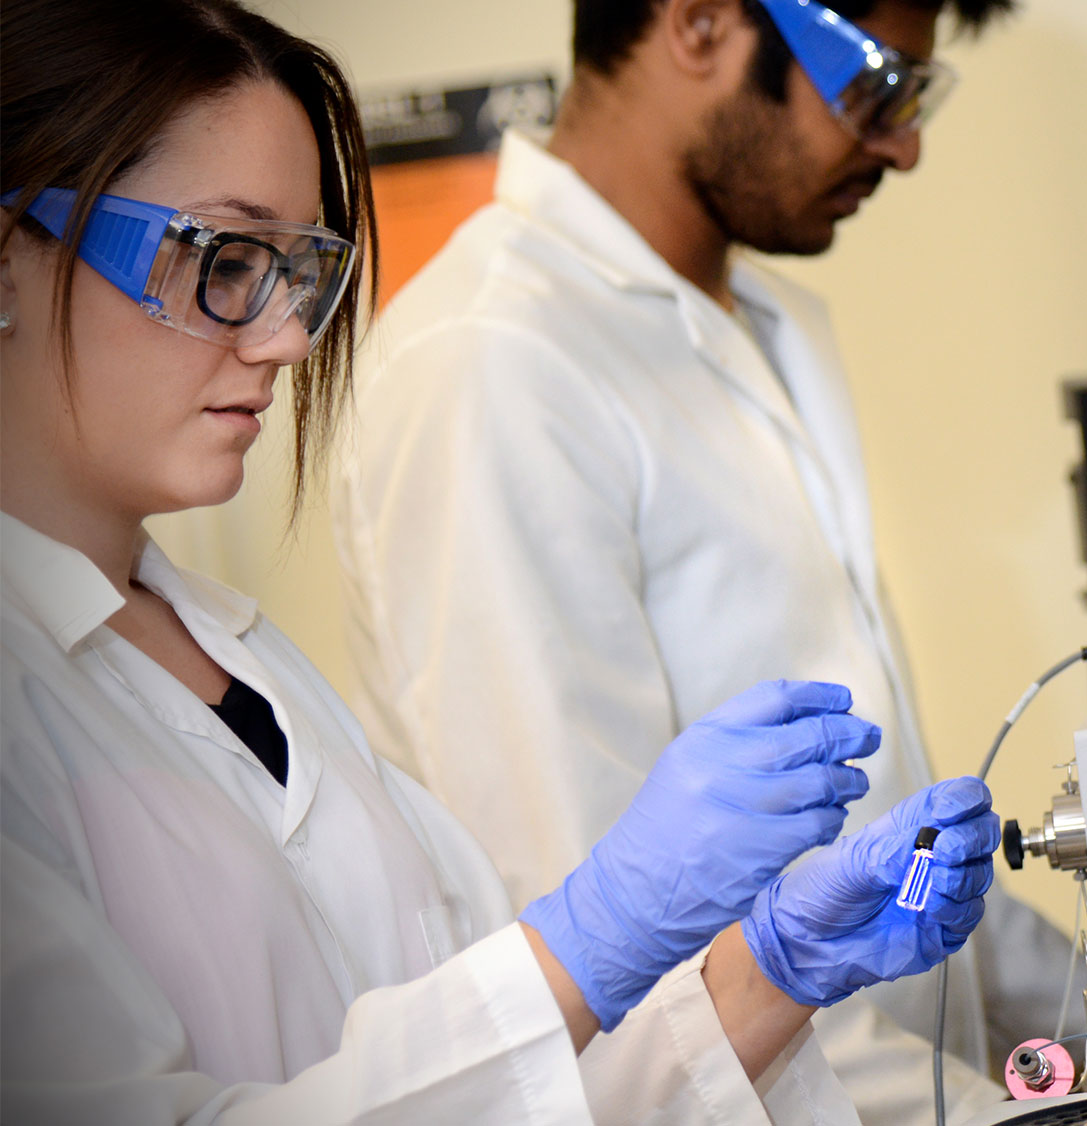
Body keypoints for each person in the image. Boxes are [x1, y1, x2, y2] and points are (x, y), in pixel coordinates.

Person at [0, 1, 998, 1121]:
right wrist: (598, 936)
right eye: (224, 258)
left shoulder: (249, 661)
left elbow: (518, 1084)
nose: (286, 336)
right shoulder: (488, 357)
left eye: (300, 270)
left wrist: (767, 976)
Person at [331, 0, 1071, 1119]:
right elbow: (613, 954)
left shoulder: (762, 322)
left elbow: (889, 835)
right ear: (697, 24)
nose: (903, 145)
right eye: (876, 86)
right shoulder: (491, 365)